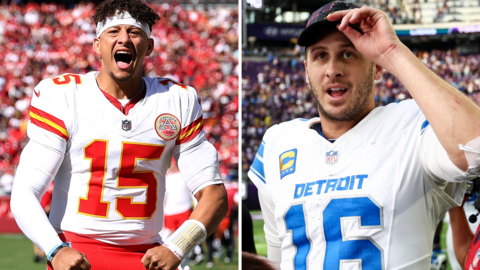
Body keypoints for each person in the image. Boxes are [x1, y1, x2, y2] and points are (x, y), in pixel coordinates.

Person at [247, 1, 480, 269]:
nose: (332, 69)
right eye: (320, 55)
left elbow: (474, 147)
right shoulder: (278, 141)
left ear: (378, 67)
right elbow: (279, 259)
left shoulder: (412, 126)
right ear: (307, 72)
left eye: (349, 53)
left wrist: (392, 51)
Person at [10, 0, 228, 270]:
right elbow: (24, 192)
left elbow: (214, 195)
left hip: (149, 255)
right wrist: (55, 249)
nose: (123, 38)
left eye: (134, 32)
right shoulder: (63, 95)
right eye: (113, 32)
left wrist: (177, 246)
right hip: (78, 253)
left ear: (149, 46)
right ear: (97, 44)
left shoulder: (177, 99)